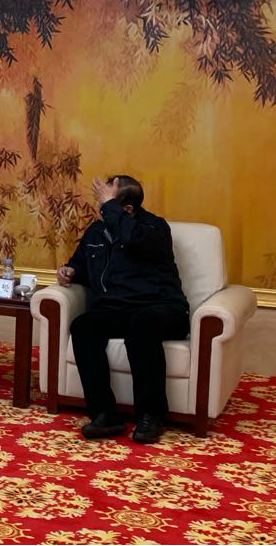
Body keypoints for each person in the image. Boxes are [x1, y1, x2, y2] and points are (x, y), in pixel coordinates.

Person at [58, 175, 188, 444]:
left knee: (141, 325)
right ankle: (105, 414)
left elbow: (133, 240)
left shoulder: (154, 228)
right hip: (118, 309)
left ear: (127, 209)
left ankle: (151, 415)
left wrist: (109, 206)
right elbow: (81, 264)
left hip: (162, 308)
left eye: (107, 204)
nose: (102, 210)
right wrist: (70, 271)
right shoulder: (96, 231)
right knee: (83, 327)